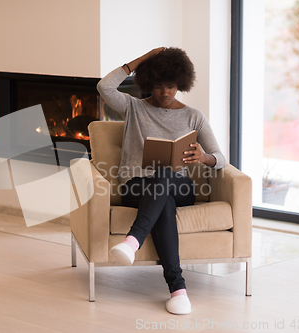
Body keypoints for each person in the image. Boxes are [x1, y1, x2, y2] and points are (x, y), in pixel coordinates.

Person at [96, 47, 226, 315]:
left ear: (181, 83)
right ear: (148, 84)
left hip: (180, 188)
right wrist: (142, 60)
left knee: (166, 173)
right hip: (136, 186)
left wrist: (204, 158)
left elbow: (221, 158)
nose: (165, 93)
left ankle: (133, 241)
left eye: (171, 86)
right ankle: (178, 290)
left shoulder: (194, 117)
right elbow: (104, 87)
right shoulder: (133, 108)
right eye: (157, 86)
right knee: (162, 200)